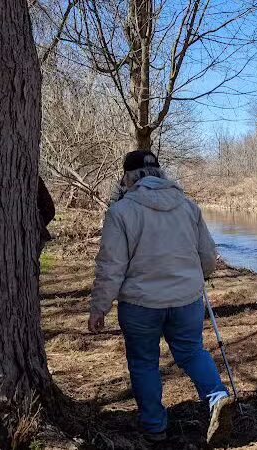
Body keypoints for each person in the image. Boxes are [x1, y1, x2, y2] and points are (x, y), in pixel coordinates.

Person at [87, 150, 234, 443]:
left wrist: (99, 308)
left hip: (141, 304)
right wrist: (201, 277)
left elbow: (111, 267)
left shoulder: (121, 212)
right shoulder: (187, 206)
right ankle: (217, 398)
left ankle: (154, 427)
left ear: (127, 177)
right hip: (186, 300)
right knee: (192, 352)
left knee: (144, 363)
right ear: (159, 173)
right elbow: (207, 254)